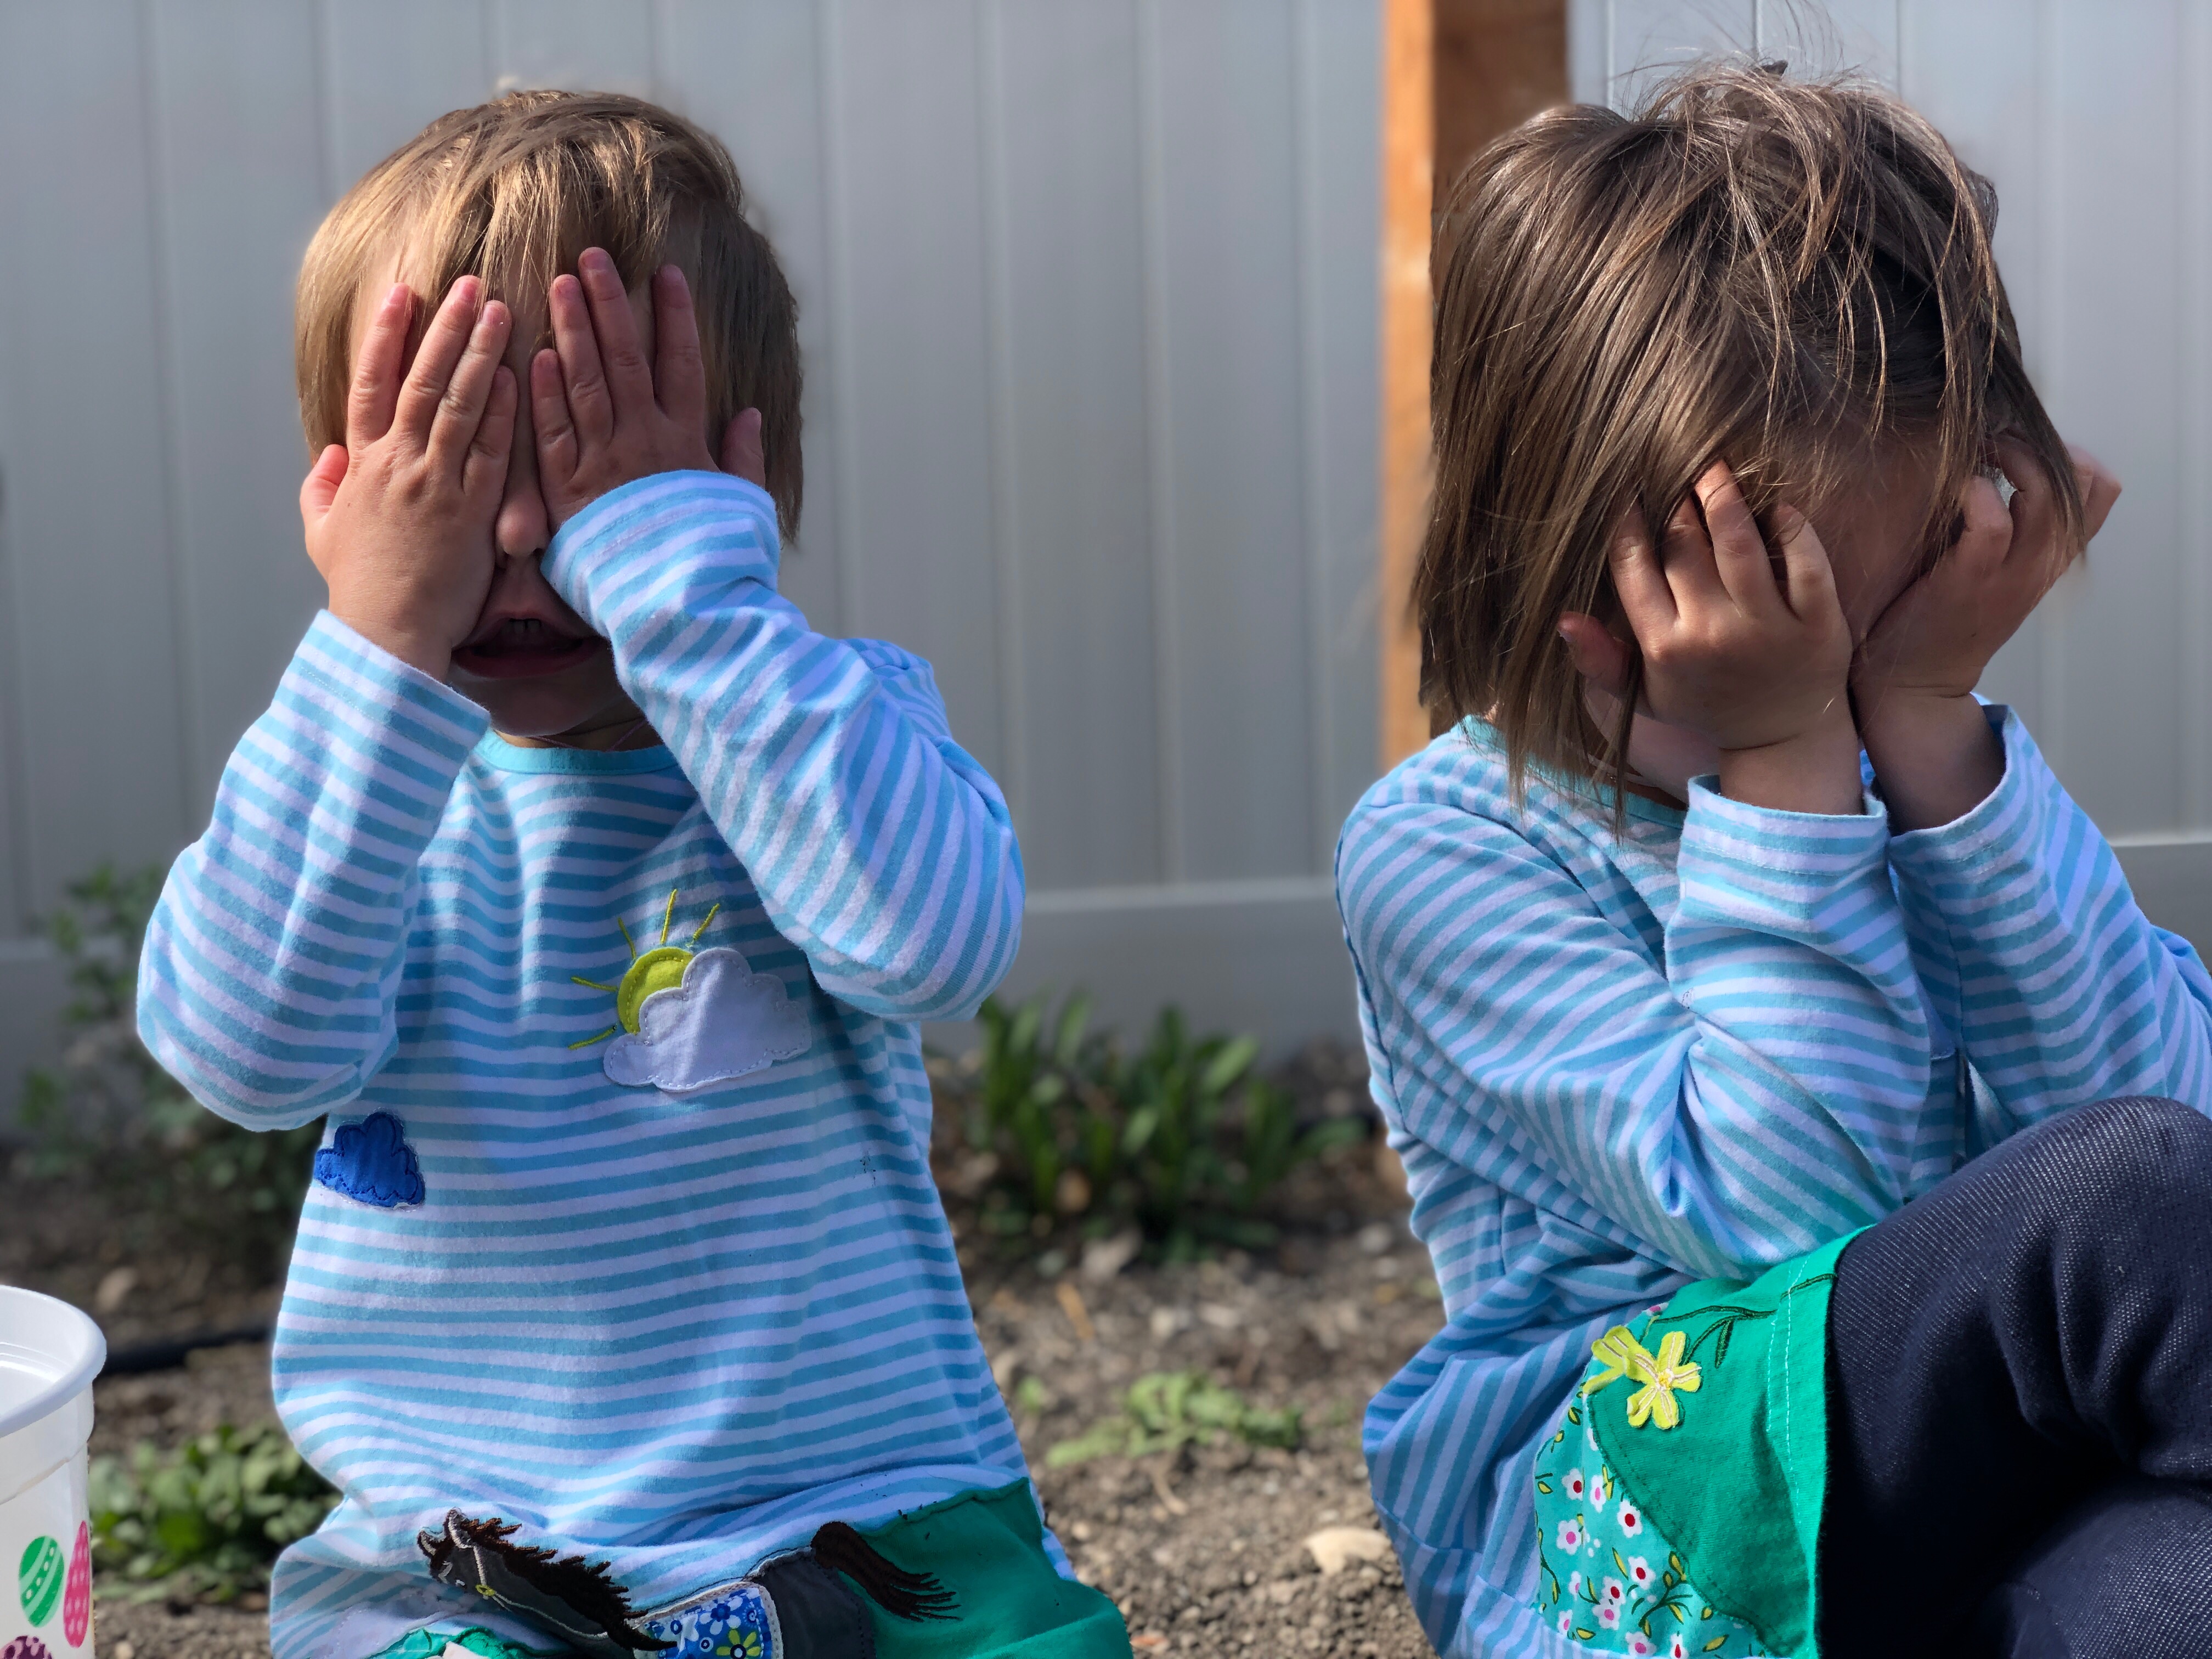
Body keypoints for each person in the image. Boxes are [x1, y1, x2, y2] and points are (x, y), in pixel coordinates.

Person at [138, 91, 1127, 1659]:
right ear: (345, 497)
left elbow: (931, 949)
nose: (524, 527)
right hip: (476, 1564)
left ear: (741, 488)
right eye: (455, 464)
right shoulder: (364, 791)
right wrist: (378, 642)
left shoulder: (819, 728)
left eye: (592, 466)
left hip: (870, 1523)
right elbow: (246, 1055)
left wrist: (685, 592)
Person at [1335, 61, 2212, 1659]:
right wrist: (1789, 763)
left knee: (2181, 1583)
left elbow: (2164, 1101)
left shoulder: (1917, 769)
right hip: (1644, 1549)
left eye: (1897, 631)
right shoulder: (1447, 850)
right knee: (2129, 1194)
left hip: (1969, 1516)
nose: (1856, 691)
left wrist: (1933, 735)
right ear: (1578, 594)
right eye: (1805, 644)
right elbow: (1796, 1234)